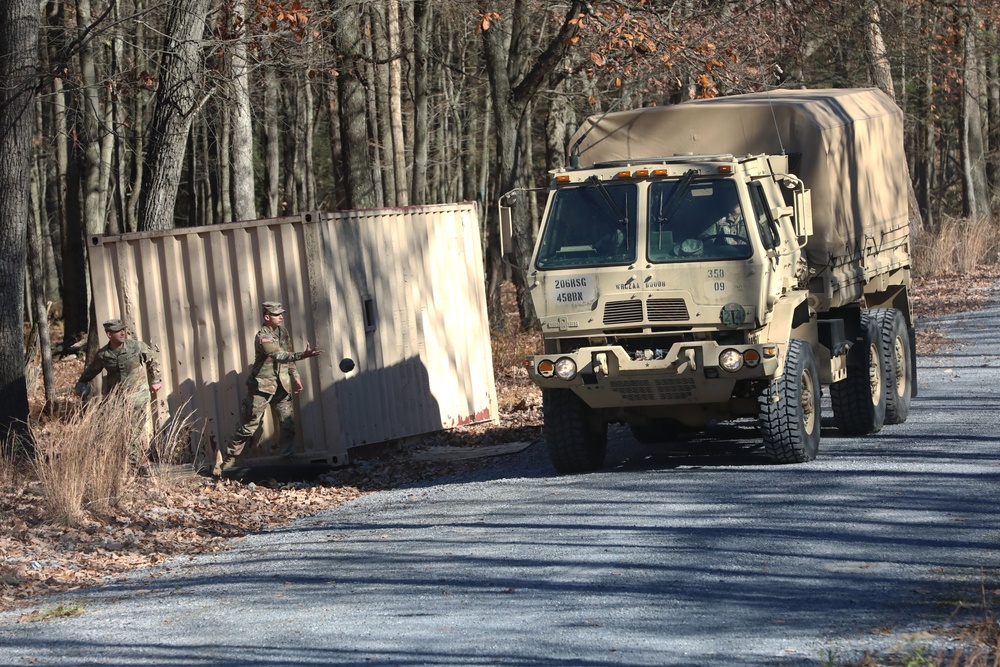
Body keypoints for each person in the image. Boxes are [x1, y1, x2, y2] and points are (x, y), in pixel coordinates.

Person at [214, 301, 323, 477]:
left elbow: (288, 357)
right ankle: (228, 461)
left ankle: (287, 460)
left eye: (281, 313)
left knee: (288, 424)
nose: (281, 317)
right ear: (267, 317)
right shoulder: (262, 337)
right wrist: (304, 355)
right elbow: (279, 356)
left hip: (282, 385)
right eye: (276, 314)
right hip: (262, 388)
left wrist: (295, 376)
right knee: (249, 425)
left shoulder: (283, 332)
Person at [73, 319, 162, 460]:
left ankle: (133, 463)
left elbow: (152, 360)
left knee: (134, 430)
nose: (122, 333)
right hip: (117, 399)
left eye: (123, 330)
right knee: (115, 428)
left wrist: (155, 380)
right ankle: (118, 459)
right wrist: (81, 383)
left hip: (137, 396)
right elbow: (90, 372)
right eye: (118, 331)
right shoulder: (103, 355)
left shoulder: (136, 347)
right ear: (109, 334)